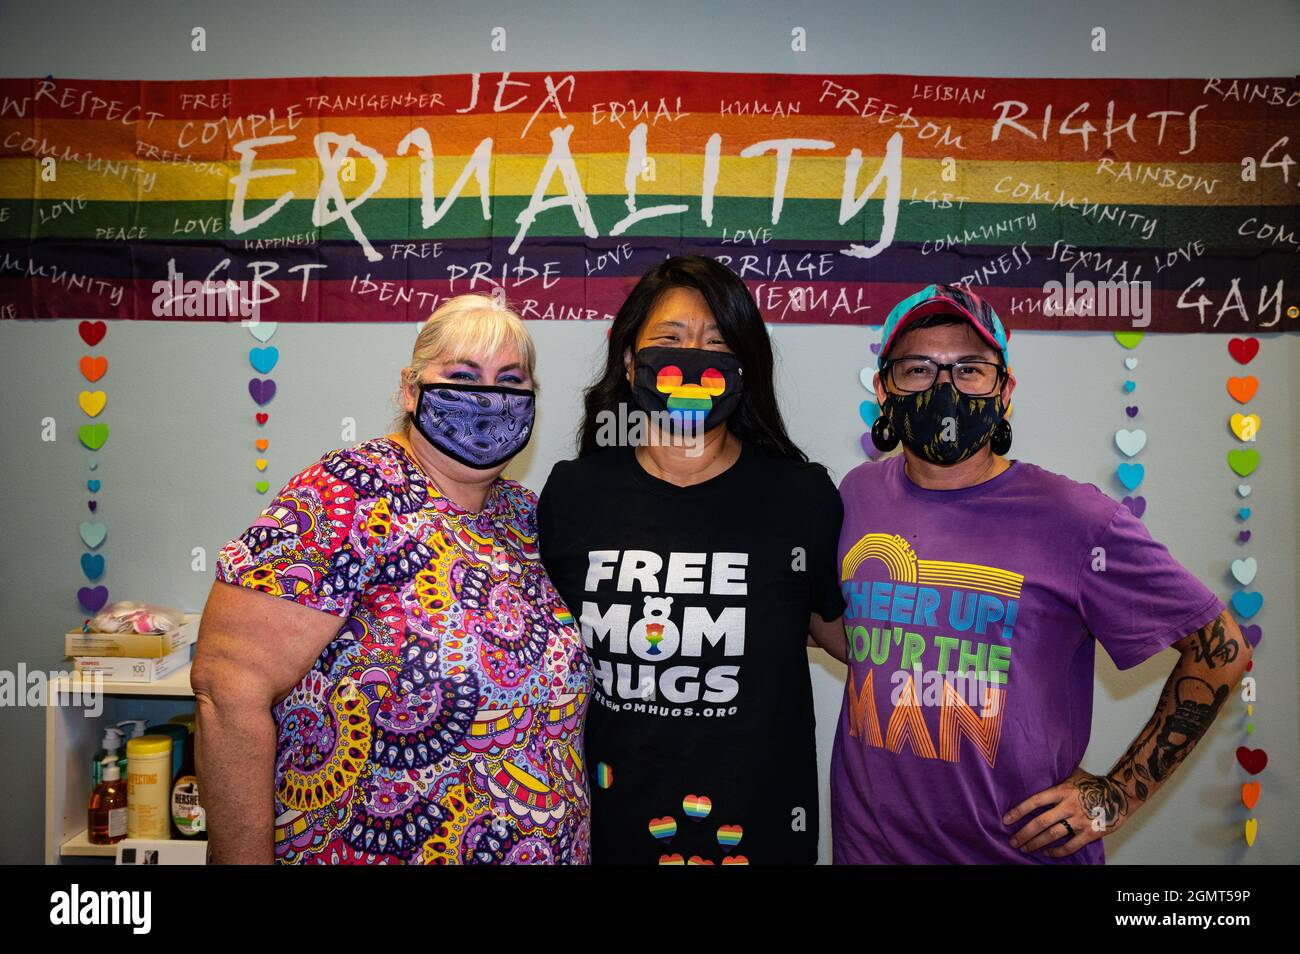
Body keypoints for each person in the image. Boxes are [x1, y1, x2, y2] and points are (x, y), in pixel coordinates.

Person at [831, 282, 1251, 864]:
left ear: (1005, 392)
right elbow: (867, 638)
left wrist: (1117, 795)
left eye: (970, 369)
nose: (945, 388)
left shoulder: (1075, 519)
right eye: (918, 369)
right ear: (884, 389)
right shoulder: (857, 496)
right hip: (873, 852)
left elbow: (1222, 647)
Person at [192, 294, 592, 864]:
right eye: (461, 375)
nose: (487, 397)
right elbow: (228, 689)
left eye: (509, 379)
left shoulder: (524, 516)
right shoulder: (346, 493)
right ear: (410, 390)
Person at [537, 255, 846, 865]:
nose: (695, 358)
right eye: (671, 340)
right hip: (605, 831)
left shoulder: (801, 496)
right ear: (629, 361)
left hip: (758, 834)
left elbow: (850, 639)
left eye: (718, 342)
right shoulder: (573, 494)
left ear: (744, 367)